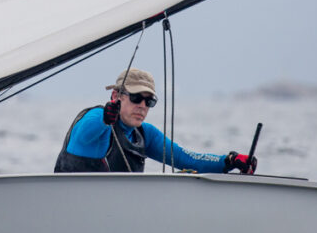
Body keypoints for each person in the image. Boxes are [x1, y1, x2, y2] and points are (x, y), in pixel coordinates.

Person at [54, 68, 257, 174]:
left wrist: (229, 161)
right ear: (116, 96)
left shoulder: (145, 134)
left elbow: (187, 159)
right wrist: (107, 115)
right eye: (136, 98)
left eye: (149, 101)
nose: (142, 105)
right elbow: (88, 130)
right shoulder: (98, 119)